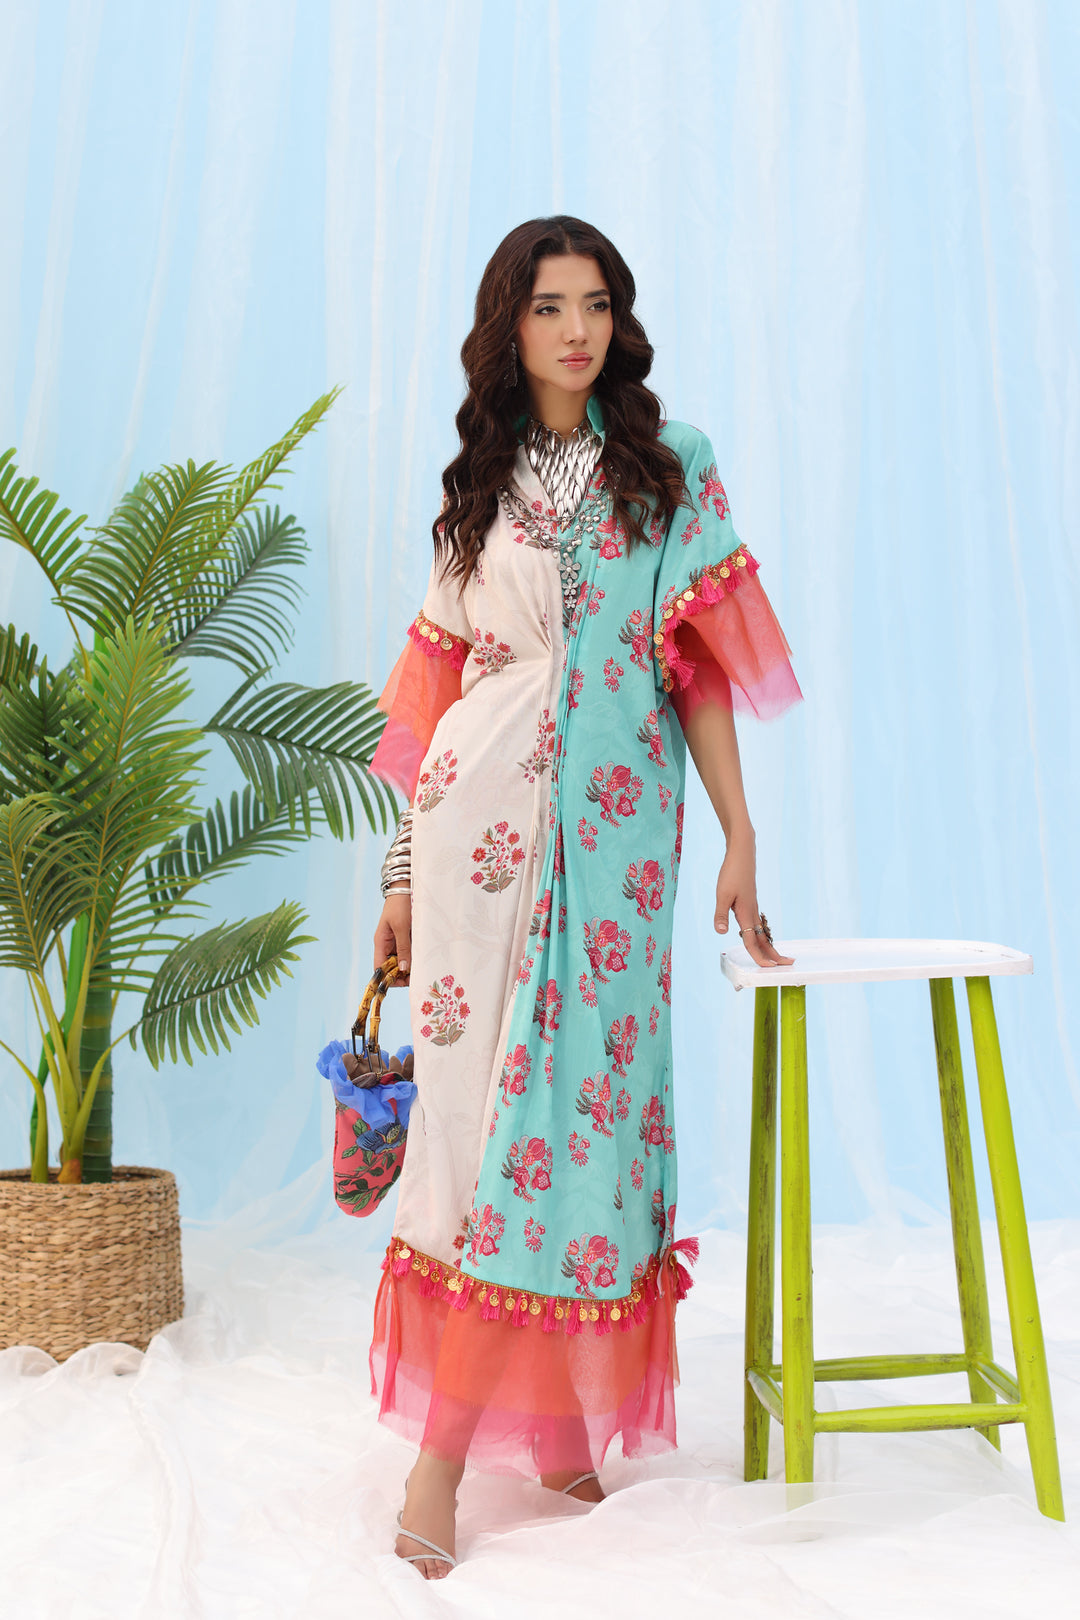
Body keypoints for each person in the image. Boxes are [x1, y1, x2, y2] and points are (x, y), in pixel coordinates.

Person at [367, 216, 801, 1578]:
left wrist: (739, 835)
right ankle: (440, 1465)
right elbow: (432, 683)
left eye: (597, 304)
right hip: (475, 833)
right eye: (550, 306)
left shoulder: (669, 470)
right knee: (478, 1140)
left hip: (617, 853)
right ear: (512, 326)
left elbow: (703, 670)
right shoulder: (479, 488)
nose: (576, 329)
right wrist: (398, 876)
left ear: (620, 319)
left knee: (589, 1131)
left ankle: (559, 1426)